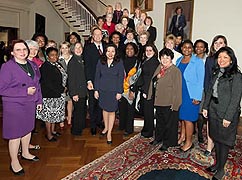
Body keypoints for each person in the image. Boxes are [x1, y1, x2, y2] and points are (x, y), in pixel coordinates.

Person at [0, 39, 42, 175]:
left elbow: (37, 84)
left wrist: (39, 101)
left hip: (29, 103)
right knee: (15, 134)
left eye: (24, 49)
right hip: (14, 105)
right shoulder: (7, 67)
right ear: (12, 52)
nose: (22, 52)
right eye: (18, 49)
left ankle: (25, 152)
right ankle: (14, 161)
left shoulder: (32, 64)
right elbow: (2, 89)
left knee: (27, 129)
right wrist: (24, 91)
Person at [202, 47, 242, 180]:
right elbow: (209, 91)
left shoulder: (236, 76)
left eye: (225, 57)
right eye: (219, 57)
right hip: (213, 110)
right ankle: (217, 164)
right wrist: (206, 107)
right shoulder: (216, 72)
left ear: (231, 60)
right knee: (216, 139)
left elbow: (236, 99)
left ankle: (221, 170)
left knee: (223, 142)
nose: (221, 60)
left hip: (226, 114)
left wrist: (228, 117)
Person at [148, 48, 182, 151]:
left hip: (169, 102)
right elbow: (153, 81)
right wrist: (156, 78)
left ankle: (168, 142)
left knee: (169, 124)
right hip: (159, 101)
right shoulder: (160, 67)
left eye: (167, 57)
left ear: (171, 58)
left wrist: (175, 104)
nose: (165, 59)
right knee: (159, 122)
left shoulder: (175, 71)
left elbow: (177, 89)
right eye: (163, 57)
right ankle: (158, 138)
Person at [176, 40, 204, 152]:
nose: (186, 49)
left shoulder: (198, 61)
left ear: (192, 49)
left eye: (189, 47)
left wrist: (197, 96)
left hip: (191, 94)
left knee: (188, 119)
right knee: (182, 117)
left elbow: (200, 80)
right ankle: (182, 137)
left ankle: (189, 142)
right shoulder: (178, 60)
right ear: (181, 48)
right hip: (180, 93)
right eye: (184, 47)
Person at [94, 44, 124, 144]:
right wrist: (96, 90)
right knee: (104, 109)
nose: (110, 53)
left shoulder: (119, 62)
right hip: (103, 90)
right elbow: (97, 76)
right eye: (108, 51)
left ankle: (109, 133)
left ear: (115, 52)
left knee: (111, 111)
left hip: (114, 91)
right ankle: (106, 127)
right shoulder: (100, 61)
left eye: (113, 51)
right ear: (105, 52)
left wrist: (120, 91)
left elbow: (121, 78)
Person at [203, 35, 227, 156]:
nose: (218, 45)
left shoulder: (228, 59)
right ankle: (209, 146)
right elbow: (207, 79)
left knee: (221, 123)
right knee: (210, 122)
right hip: (211, 95)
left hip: (224, 98)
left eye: (221, 43)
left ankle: (220, 146)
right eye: (216, 43)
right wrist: (207, 97)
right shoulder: (209, 59)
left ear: (225, 45)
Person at [37, 47, 67, 142]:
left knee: (54, 115)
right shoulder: (46, 66)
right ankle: (49, 135)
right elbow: (49, 83)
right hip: (50, 95)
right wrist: (62, 89)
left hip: (58, 94)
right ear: (47, 56)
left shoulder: (57, 64)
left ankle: (53, 131)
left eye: (56, 55)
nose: (55, 57)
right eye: (52, 55)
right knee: (49, 116)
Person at [83, 27, 106, 136]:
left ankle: (99, 121)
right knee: (92, 103)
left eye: (99, 34)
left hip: (105, 81)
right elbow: (87, 66)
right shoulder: (88, 48)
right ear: (92, 36)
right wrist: (88, 81)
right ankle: (93, 125)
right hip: (93, 80)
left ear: (102, 36)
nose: (98, 36)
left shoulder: (107, 47)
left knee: (102, 103)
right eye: (95, 34)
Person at [136, 44, 160, 138]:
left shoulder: (154, 62)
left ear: (154, 52)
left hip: (149, 91)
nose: (148, 52)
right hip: (145, 89)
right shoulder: (147, 60)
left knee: (148, 112)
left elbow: (152, 79)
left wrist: (146, 92)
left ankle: (148, 131)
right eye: (147, 50)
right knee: (146, 111)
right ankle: (146, 129)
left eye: (150, 50)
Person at [119, 42, 139, 136]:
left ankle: (129, 129)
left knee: (130, 110)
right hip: (122, 88)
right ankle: (122, 126)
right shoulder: (121, 60)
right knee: (122, 109)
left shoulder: (138, 62)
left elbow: (138, 77)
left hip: (132, 89)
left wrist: (133, 90)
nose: (129, 50)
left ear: (134, 50)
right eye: (127, 49)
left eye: (131, 49)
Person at [67, 42, 87, 136]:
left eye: (80, 47)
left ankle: (80, 127)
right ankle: (76, 130)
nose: (78, 49)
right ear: (73, 50)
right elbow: (71, 79)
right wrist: (74, 93)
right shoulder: (73, 62)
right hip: (77, 91)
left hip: (83, 90)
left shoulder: (82, 59)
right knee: (78, 111)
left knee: (82, 110)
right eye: (76, 48)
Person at [194, 39, 209, 143]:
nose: (199, 48)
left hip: (202, 89)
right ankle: (192, 129)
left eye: (201, 47)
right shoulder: (192, 58)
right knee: (192, 110)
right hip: (192, 89)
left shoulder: (207, 60)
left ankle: (199, 132)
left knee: (200, 112)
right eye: (197, 46)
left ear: (205, 49)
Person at [58, 41, 73, 127]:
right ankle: (61, 119)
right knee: (62, 101)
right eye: (62, 48)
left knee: (70, 101)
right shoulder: (58, 59)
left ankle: (70, 118)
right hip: (62, 83)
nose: (64, 50)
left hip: (71, 82)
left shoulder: (72, 58)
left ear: (69, 48)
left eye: (66, 48)